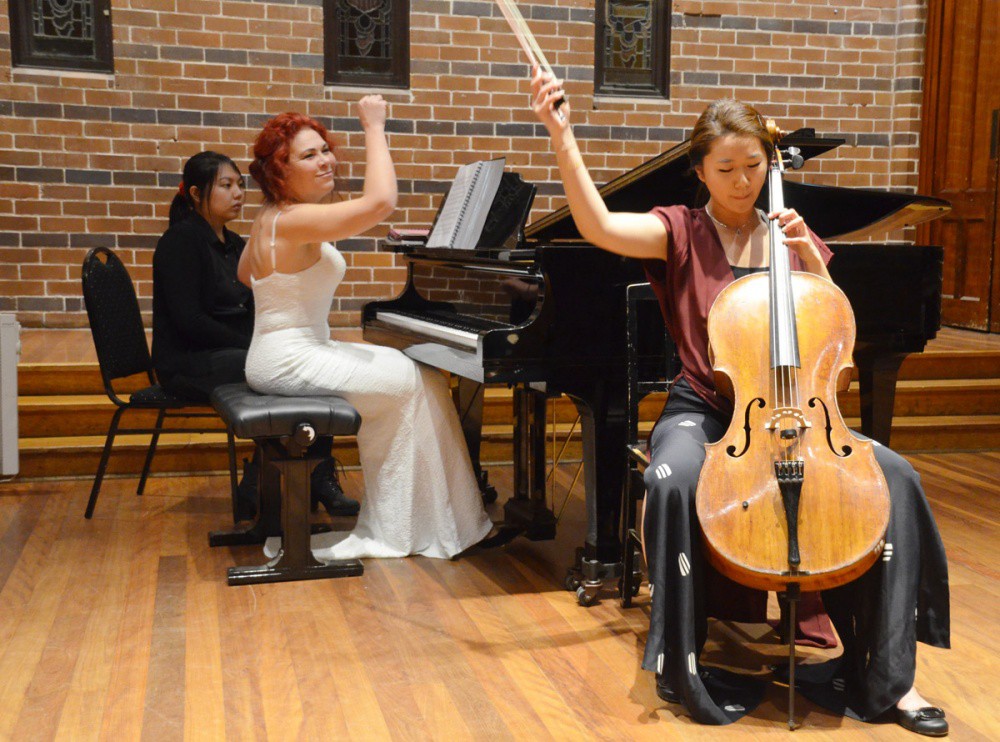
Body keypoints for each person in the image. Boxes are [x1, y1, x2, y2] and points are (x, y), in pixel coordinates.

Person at [529, 69, 951, 737]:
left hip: (802, 414)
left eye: (753, 165)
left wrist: (811, 261)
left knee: (896, 478)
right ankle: (682, 659)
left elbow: (832, 328)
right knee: (670, 480)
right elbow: (598, 225)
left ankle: (891, 676)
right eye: (725, 168)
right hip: (704, 408)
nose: (742, 180)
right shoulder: (678, 230)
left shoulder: (789, 234)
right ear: (699, 171)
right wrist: (562, 137)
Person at [239, 101, 493, 560]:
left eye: (325, 150)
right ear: (280, 170)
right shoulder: (292, 220)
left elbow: (247, 275)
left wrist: (299, 319)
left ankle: (432, 520)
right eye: (308, 155)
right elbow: (380, 203)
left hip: (284, 351)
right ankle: (406, 527)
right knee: (409, 381)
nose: (326, 161)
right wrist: (373, 125)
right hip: (287, 359)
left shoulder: (273, 217)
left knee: (423, 375)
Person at [151, 151, 359, 521]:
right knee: (285, 372)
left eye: (240, 185)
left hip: (229, 352)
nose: (238, 193)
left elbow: (255, 307)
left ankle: (297, 477)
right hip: (187, 361)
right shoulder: (179, 242)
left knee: (309, 368)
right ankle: (267, 481)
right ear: (196, 194)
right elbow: (189, 322)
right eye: (226, 185)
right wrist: (254, 347)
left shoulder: (234, 244)